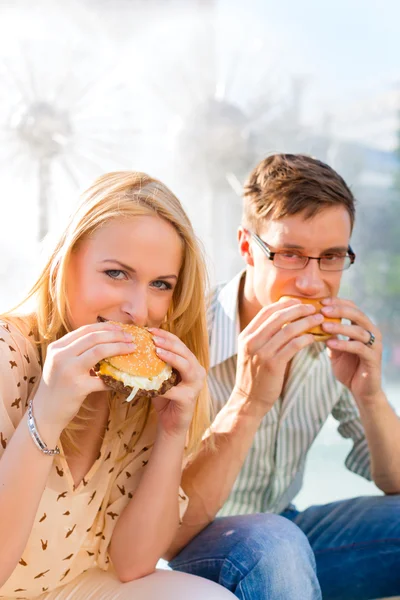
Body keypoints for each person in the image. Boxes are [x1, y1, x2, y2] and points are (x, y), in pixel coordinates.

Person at [165, 154, 400, 600]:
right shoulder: (181, 338)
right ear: (246, 247)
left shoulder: (335, 344)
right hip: (184, 557)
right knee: (275, 541)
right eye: (290, 255)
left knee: (279, 537)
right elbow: (166, 535)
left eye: (331, 258)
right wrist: (249, 400)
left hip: (284, 537)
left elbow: (395, 483)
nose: (313, 284)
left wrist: (371, 396)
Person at [0, 172, 236, 599]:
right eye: (116, 273)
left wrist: (172, 431)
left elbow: (134, 564)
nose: (137, 309)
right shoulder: (6, 357)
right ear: (64, 261)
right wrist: (47, 413)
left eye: (160, 284)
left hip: (71, 588)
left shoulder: (141, 389)